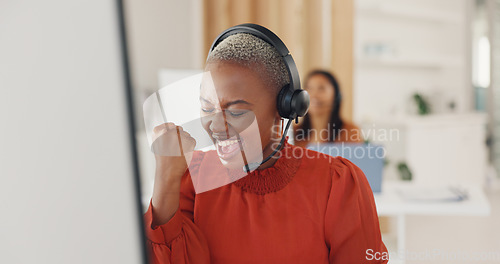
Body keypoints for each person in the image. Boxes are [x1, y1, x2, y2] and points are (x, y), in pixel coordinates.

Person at [144, 26, 388, 264]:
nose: (216, 126)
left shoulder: (337, 184)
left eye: (237, 112)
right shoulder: (191, 179)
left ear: (284, 108)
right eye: (207, 108)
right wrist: (165, 177)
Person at [294, 70, 362, 148]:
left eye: (321, 88)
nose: (314, 95)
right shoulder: (294, 132)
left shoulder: (350, 131)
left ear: (335, 96)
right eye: (309, 88)